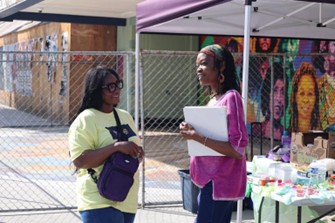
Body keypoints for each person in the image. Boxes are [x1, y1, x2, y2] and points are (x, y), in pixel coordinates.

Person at [179, 44, 248, 223]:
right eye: (197, 66)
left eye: (204, 64)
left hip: (220, 183)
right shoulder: (213, 100)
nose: (199, 70)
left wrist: (196, 136)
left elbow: (237, 148)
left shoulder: (231, 97)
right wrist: (190, 132)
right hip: (210, 183)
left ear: (221, 66)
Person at [68, 66, 144, 223]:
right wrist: (115, 147)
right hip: (98, 199)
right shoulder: (86, 119)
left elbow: (130, 151)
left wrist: (136, 153)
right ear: (96, 90)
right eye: (110, 86)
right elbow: (80, 160)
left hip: (126, 198)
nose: (116, 90)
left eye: (118, 84)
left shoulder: (125, 116)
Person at [289, 62, 320, 133]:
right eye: (302, 93)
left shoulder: (322, 135)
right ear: (295, 97)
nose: (306, 100)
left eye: (310, 94)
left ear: (316, 98)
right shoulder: (288, 134)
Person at [261, 62, 285, 140]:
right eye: (275, 90)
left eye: (282, 92)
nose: (279, 98)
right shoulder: (256, 130)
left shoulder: (286, 133)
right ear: (267, 94)